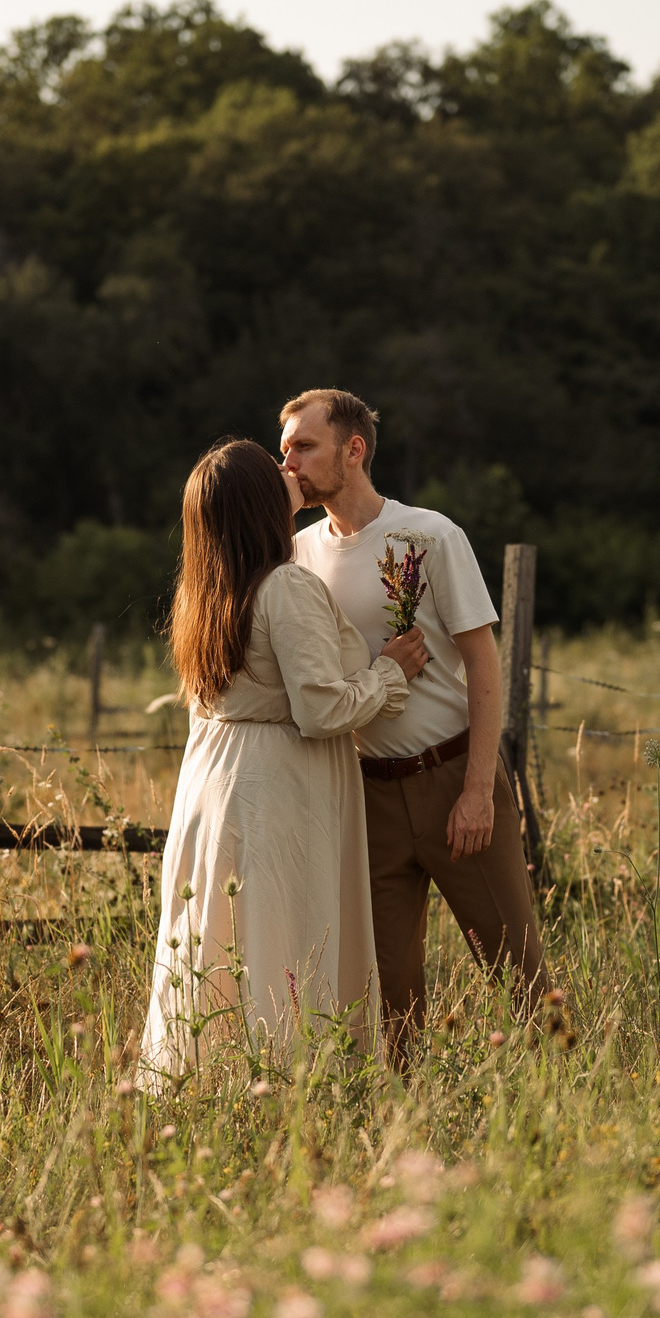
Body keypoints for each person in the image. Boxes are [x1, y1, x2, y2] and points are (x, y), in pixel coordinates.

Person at [138, 438, 432, 1085]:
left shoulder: (203, 592)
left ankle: (213, 1085)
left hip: (213, 781)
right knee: (283, 934)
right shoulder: (286, 585)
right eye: (275, 473)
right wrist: (388, 673)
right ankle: (289, 1087)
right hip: (275, 782)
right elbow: (321, 710)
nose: (289, 471)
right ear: (258, 503)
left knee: (223, 935)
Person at [279, 389, 551, 1065]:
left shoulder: (429, 536)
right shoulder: (296, 552)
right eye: (283, 448)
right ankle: (409, 1129)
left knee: (518, 971)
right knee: (388, 991)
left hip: (453, 775)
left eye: (303, 447)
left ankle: (569, 1108)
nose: (288, 462)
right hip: (364, 796)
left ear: (353, 449)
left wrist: (480, 790)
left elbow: (483, 663)